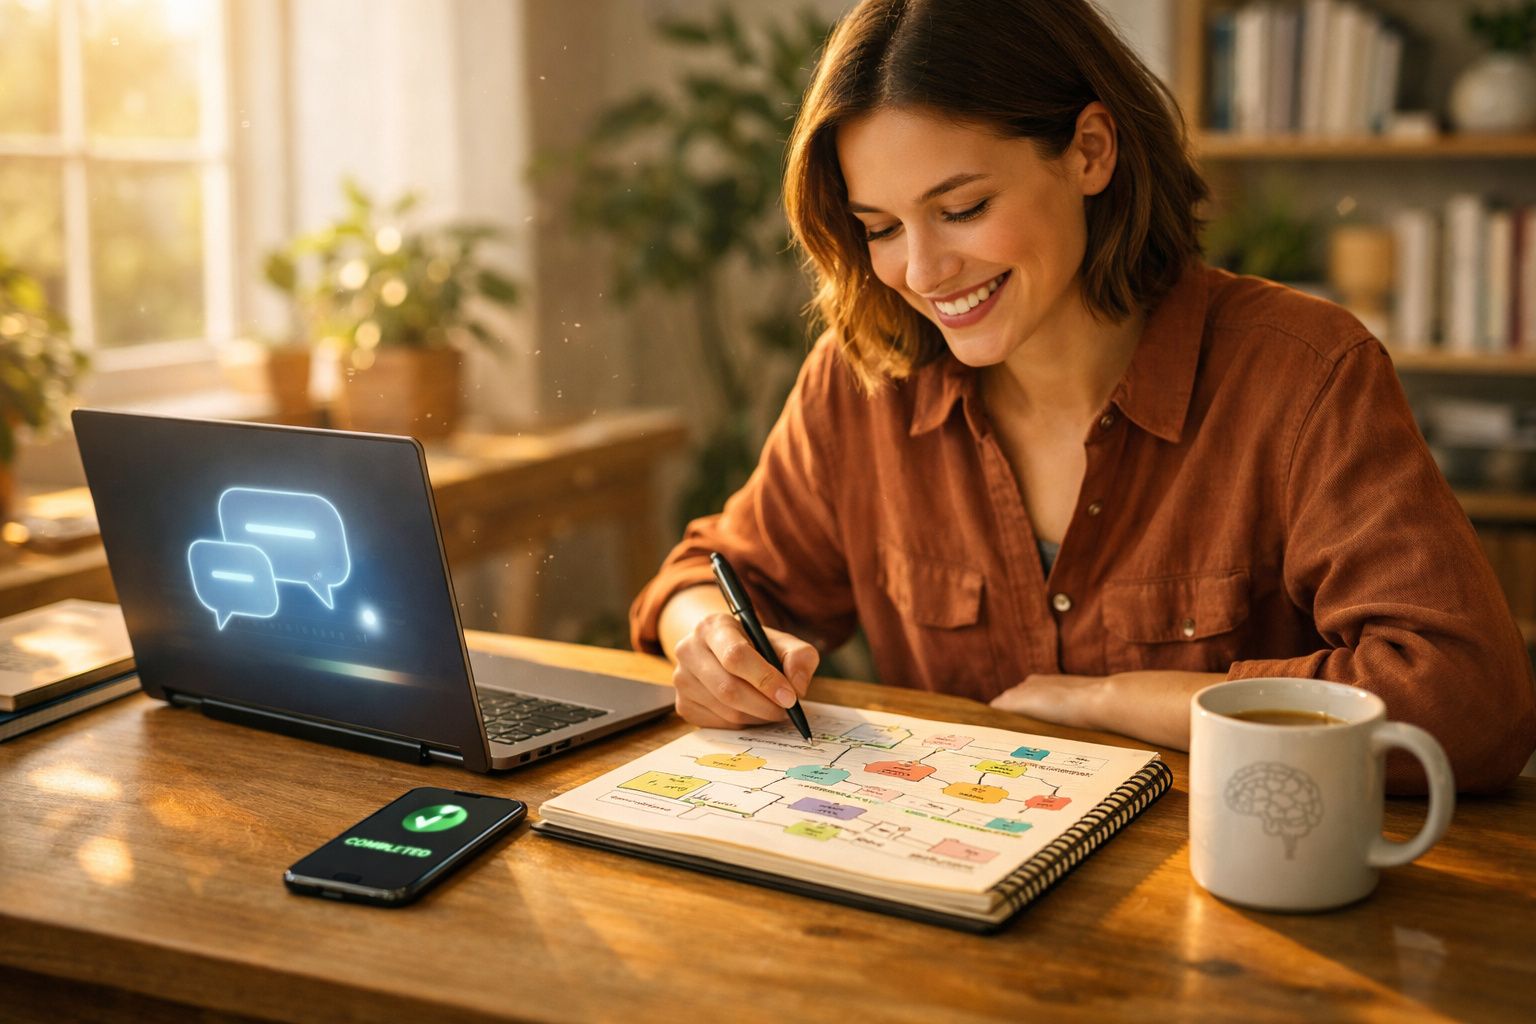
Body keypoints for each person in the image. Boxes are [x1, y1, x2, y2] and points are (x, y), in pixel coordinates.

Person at [628, 0, 1536, 793]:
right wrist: (709, 640)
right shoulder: (863, 377)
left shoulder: (1302, 374)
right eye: (880, 228)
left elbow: (1468, 703)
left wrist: (1121, 700)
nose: (922, 270)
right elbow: (708, 579)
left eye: (963, 208)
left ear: (1090, 151)